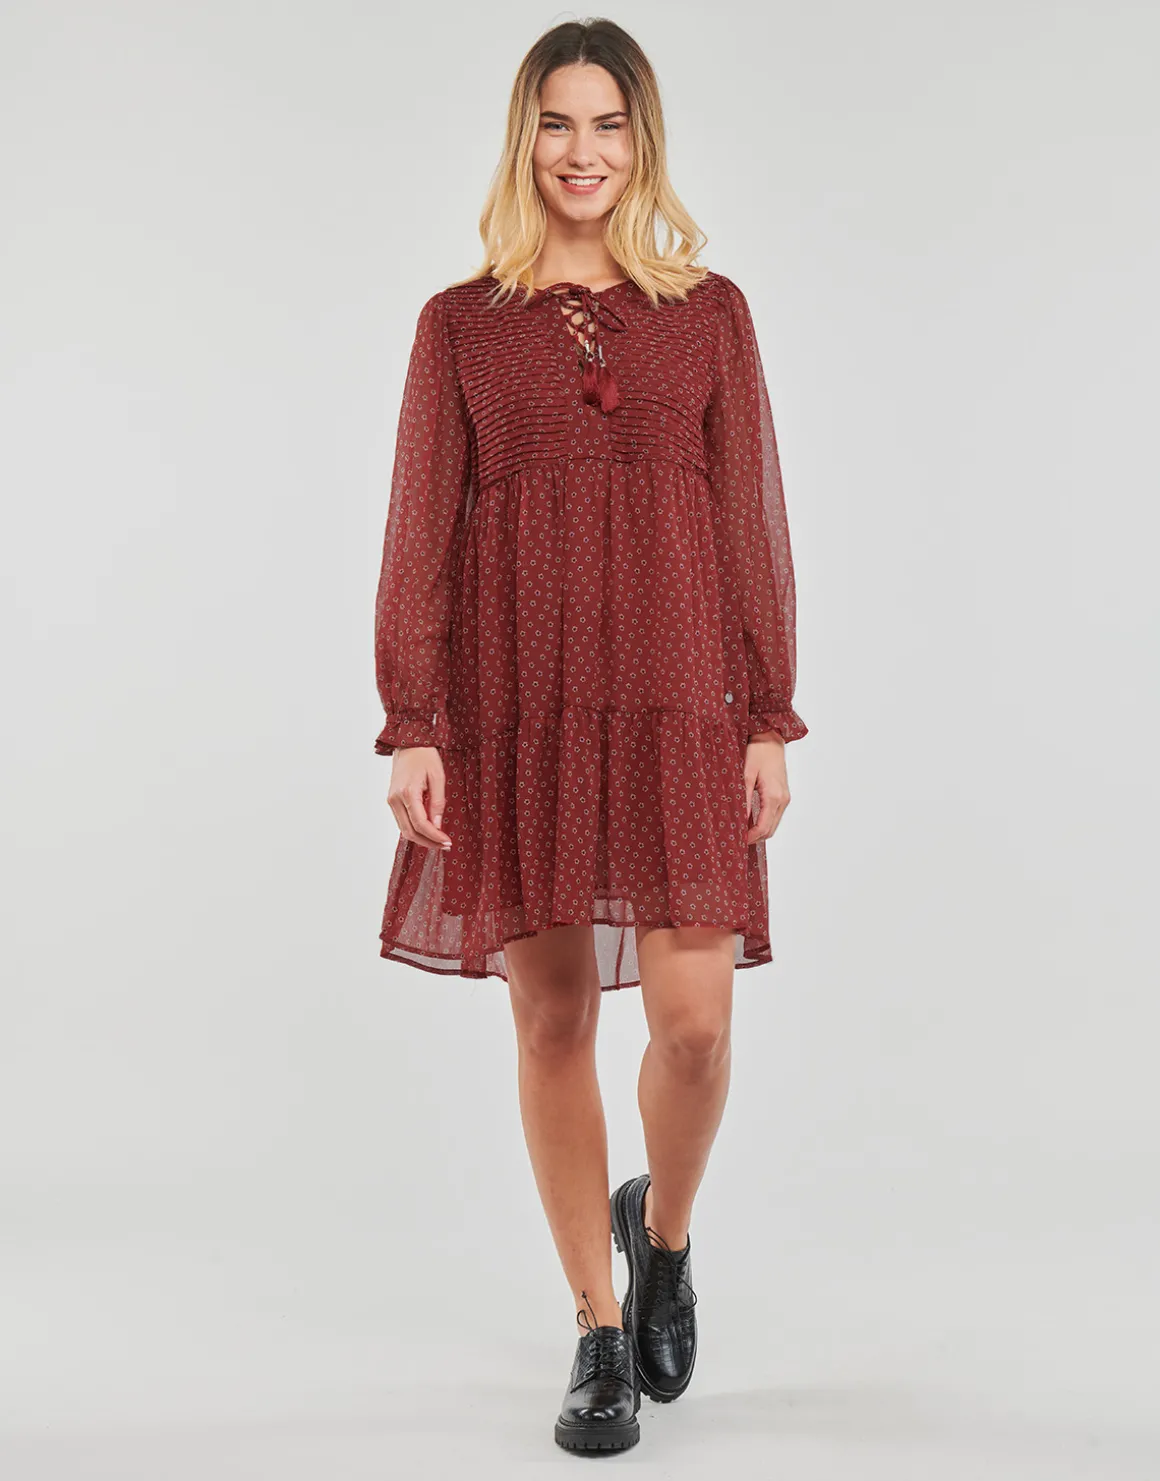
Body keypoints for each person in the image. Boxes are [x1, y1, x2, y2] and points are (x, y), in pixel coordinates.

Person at [372, 17, 808, 1455]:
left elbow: (749, 523)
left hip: (681, 702)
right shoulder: (461, 325)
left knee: (695, 1025)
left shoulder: (708, 314)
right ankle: (597, 1327)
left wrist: (769, 713)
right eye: (557, 124)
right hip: (519, 703)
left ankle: (662, 1237)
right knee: (554, 1016)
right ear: (524, 140)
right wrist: (413, 723)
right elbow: (420, 534)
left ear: (642, 141)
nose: (582, 152)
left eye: (608, 124)